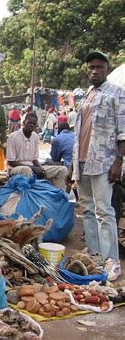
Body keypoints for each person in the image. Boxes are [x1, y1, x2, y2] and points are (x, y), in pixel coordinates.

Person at [70, 51, 124, 281]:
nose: (94, 71)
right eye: (91, 67)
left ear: (106, 69)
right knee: (87, 210)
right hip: (82, 160)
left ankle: (111, 260)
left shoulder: (117, 93)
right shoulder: (87, 95)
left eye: (99, 67)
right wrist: (73, 166)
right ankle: (94, 254)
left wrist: (118, 161)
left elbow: (123, 130)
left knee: (104, 210)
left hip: (103, 160)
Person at [7, 113, 68, 190]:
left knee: (62, 170)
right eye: (29, 123)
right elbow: (11, 162)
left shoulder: (35, 136)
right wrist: (33, 168)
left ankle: (57, 197)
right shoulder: (13, 137)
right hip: (16, 169)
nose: (31, 125)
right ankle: (31, 197)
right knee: (27, 170)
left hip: (32, 167)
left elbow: (34, 159)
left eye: (34, 123)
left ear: (36, 125)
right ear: (23, 123)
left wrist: (40, 168)